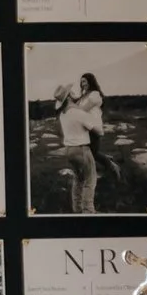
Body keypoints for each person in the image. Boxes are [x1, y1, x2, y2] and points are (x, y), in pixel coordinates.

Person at [51, 75, 104, 213]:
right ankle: (88, 211)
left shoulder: (63, 115)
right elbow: (99, 131)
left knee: (78, 180)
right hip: (82, 149)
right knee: (90, 181)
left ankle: (77, 209)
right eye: (71, 93)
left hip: (69, 151)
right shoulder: (77, 113)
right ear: (68, 97)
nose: (74, 93)